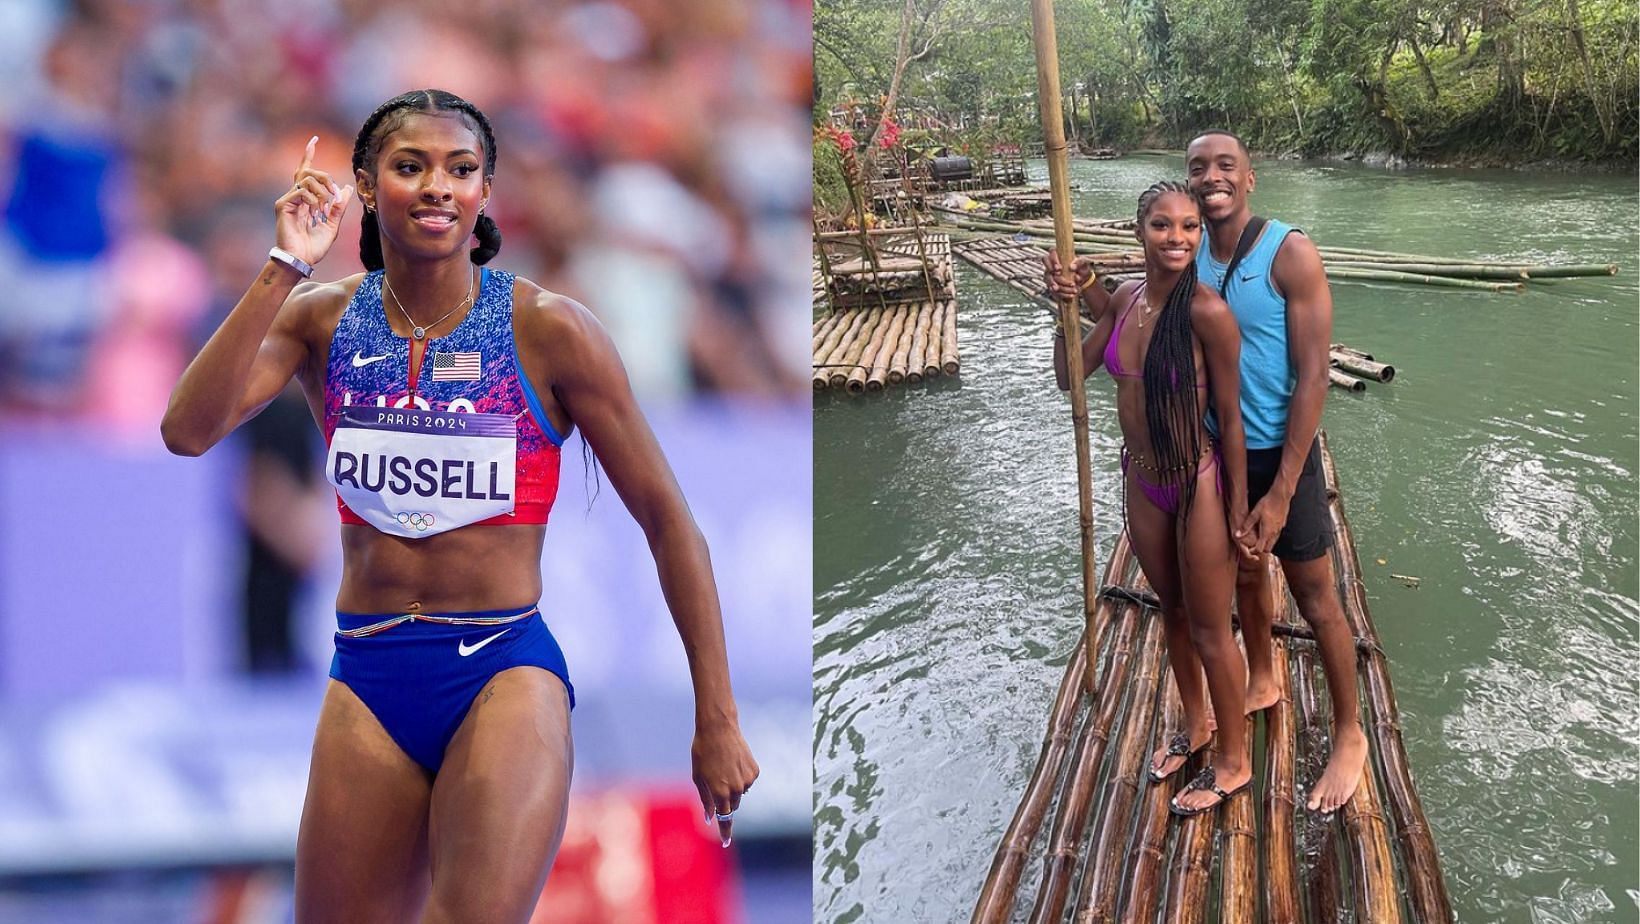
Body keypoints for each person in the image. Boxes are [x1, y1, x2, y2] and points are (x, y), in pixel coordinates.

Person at [161, 89, 759, 922]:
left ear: (485, 192)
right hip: (367, 674)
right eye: (411, 167)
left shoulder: (551, 330)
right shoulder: (319, 320)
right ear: (367, 187)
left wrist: (717, 719)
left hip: (503, 670)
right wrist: (285, 264)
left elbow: (669, 524)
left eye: (461, 169)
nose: (438, 186)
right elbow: (187, 431)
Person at [1048, 132, 1365, 815]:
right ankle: (1258, 684)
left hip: (1274, 450)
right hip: (1204, 448)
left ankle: (1349, 734)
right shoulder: (1193, 267)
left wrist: (1278, 492)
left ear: (1249, 178)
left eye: (1225, 167)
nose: (1211, 180)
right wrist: (1081, 292)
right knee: (1236, 581)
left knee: (1315, 597)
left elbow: (1314, 376)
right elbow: (1135, 315)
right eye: (1199, 171)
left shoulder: (1286, 254)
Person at [1050, 182, 1252, 815]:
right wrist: (1063, 310)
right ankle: (1196, 725)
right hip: (1143, 478)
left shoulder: (1207, 313)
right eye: (1164, 226)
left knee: (1214, 630)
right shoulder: (1126, 300)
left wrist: (1242, 509)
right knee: (1173, 612)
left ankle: (1234, 761)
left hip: (1197, 482)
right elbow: (1069, 376)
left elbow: (1232, 416)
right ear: (1139, 231)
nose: (1179, 239)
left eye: (1191, 227)